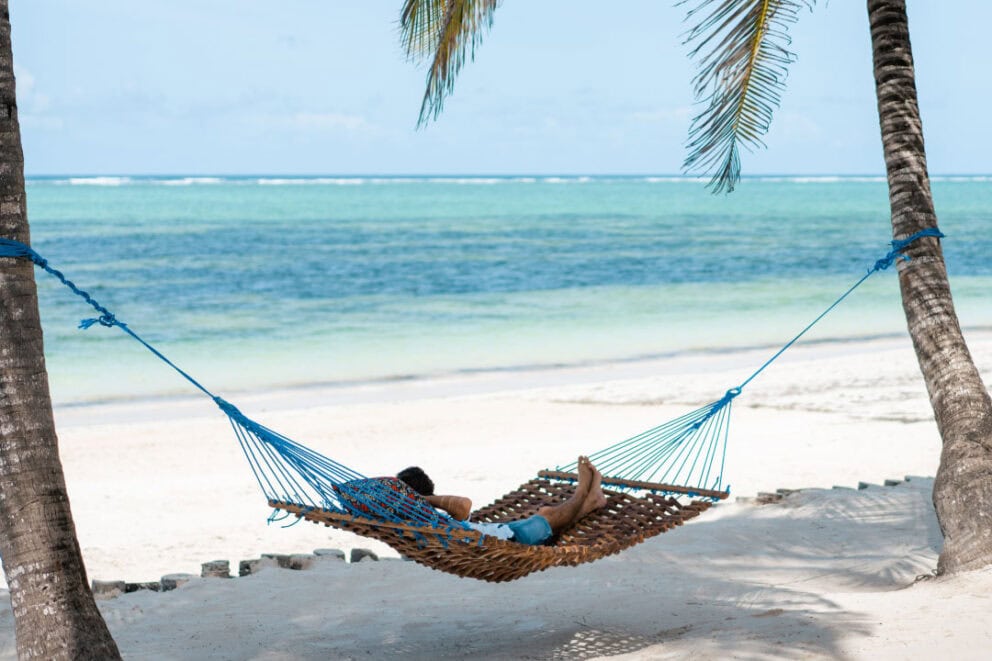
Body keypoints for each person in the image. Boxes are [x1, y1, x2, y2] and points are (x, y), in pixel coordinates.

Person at [397, 456, 607, 546]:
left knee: (546, 515)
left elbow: (463, 506)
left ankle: (592, 502)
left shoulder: (435, 519)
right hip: (513, 539)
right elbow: (464, 504)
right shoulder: (429, 525)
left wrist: (420, 500)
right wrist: (421, 500)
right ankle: (582, 494)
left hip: (504, 532)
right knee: (547, 515)